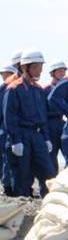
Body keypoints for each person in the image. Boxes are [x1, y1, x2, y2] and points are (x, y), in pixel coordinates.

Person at [3, 51, 54, 197]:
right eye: (37, 67)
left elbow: (43, 116)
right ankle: (22, 210)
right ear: (26, 68)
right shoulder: (13, 89)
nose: (40, 70)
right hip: (21, 135)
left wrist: (46, 137)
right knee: (22, 176)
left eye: (40, 66)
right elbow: (9, 117)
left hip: (37, 136)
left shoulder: (38, 89)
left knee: (48, 172)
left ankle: (48, 202)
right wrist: (15, 140)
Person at [44, 61, 68, 174]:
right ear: (52, 73)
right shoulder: (45, 90)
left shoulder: (66, 89)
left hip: (62, 122)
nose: (62, 73)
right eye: (59, 71)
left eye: (64, 71)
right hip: (49, 123)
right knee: (51, 157)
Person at [0, 65, 18, 195]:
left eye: (7, 74)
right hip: (4, 127)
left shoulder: (18, 88)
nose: (5, 77)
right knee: (6, 158)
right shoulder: (3, 89)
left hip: (15, 126)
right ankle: (7, 186)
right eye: (3, 75)